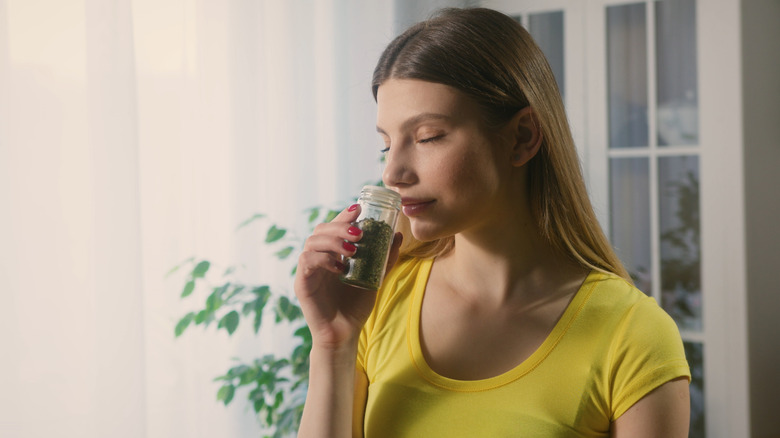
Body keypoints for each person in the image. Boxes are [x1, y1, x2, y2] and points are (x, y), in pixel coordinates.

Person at [294, 7, 690, 438]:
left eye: (428, 137)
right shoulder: (377, 301)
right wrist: (332, 343)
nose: (393, 173)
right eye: (387, 144)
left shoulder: (633, 336)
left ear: (521, 137)